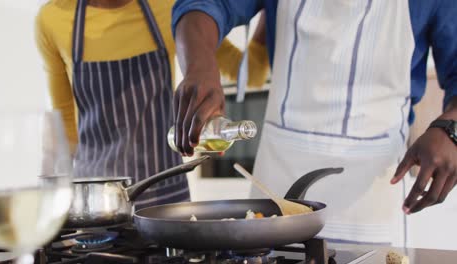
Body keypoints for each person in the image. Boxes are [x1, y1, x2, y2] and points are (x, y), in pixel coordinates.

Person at [171, 0, 457, 245]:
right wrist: (199, 67)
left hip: (372, 198)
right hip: (275, 189)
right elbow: (203, 6)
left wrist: (451, 128)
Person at [35, 0, 263, 208]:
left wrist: (276, 13)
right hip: (96, 205)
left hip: (166, 206)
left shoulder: (174, 8)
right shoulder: (53, 20)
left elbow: (249, 73)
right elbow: (64, 127)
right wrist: (54, 210)